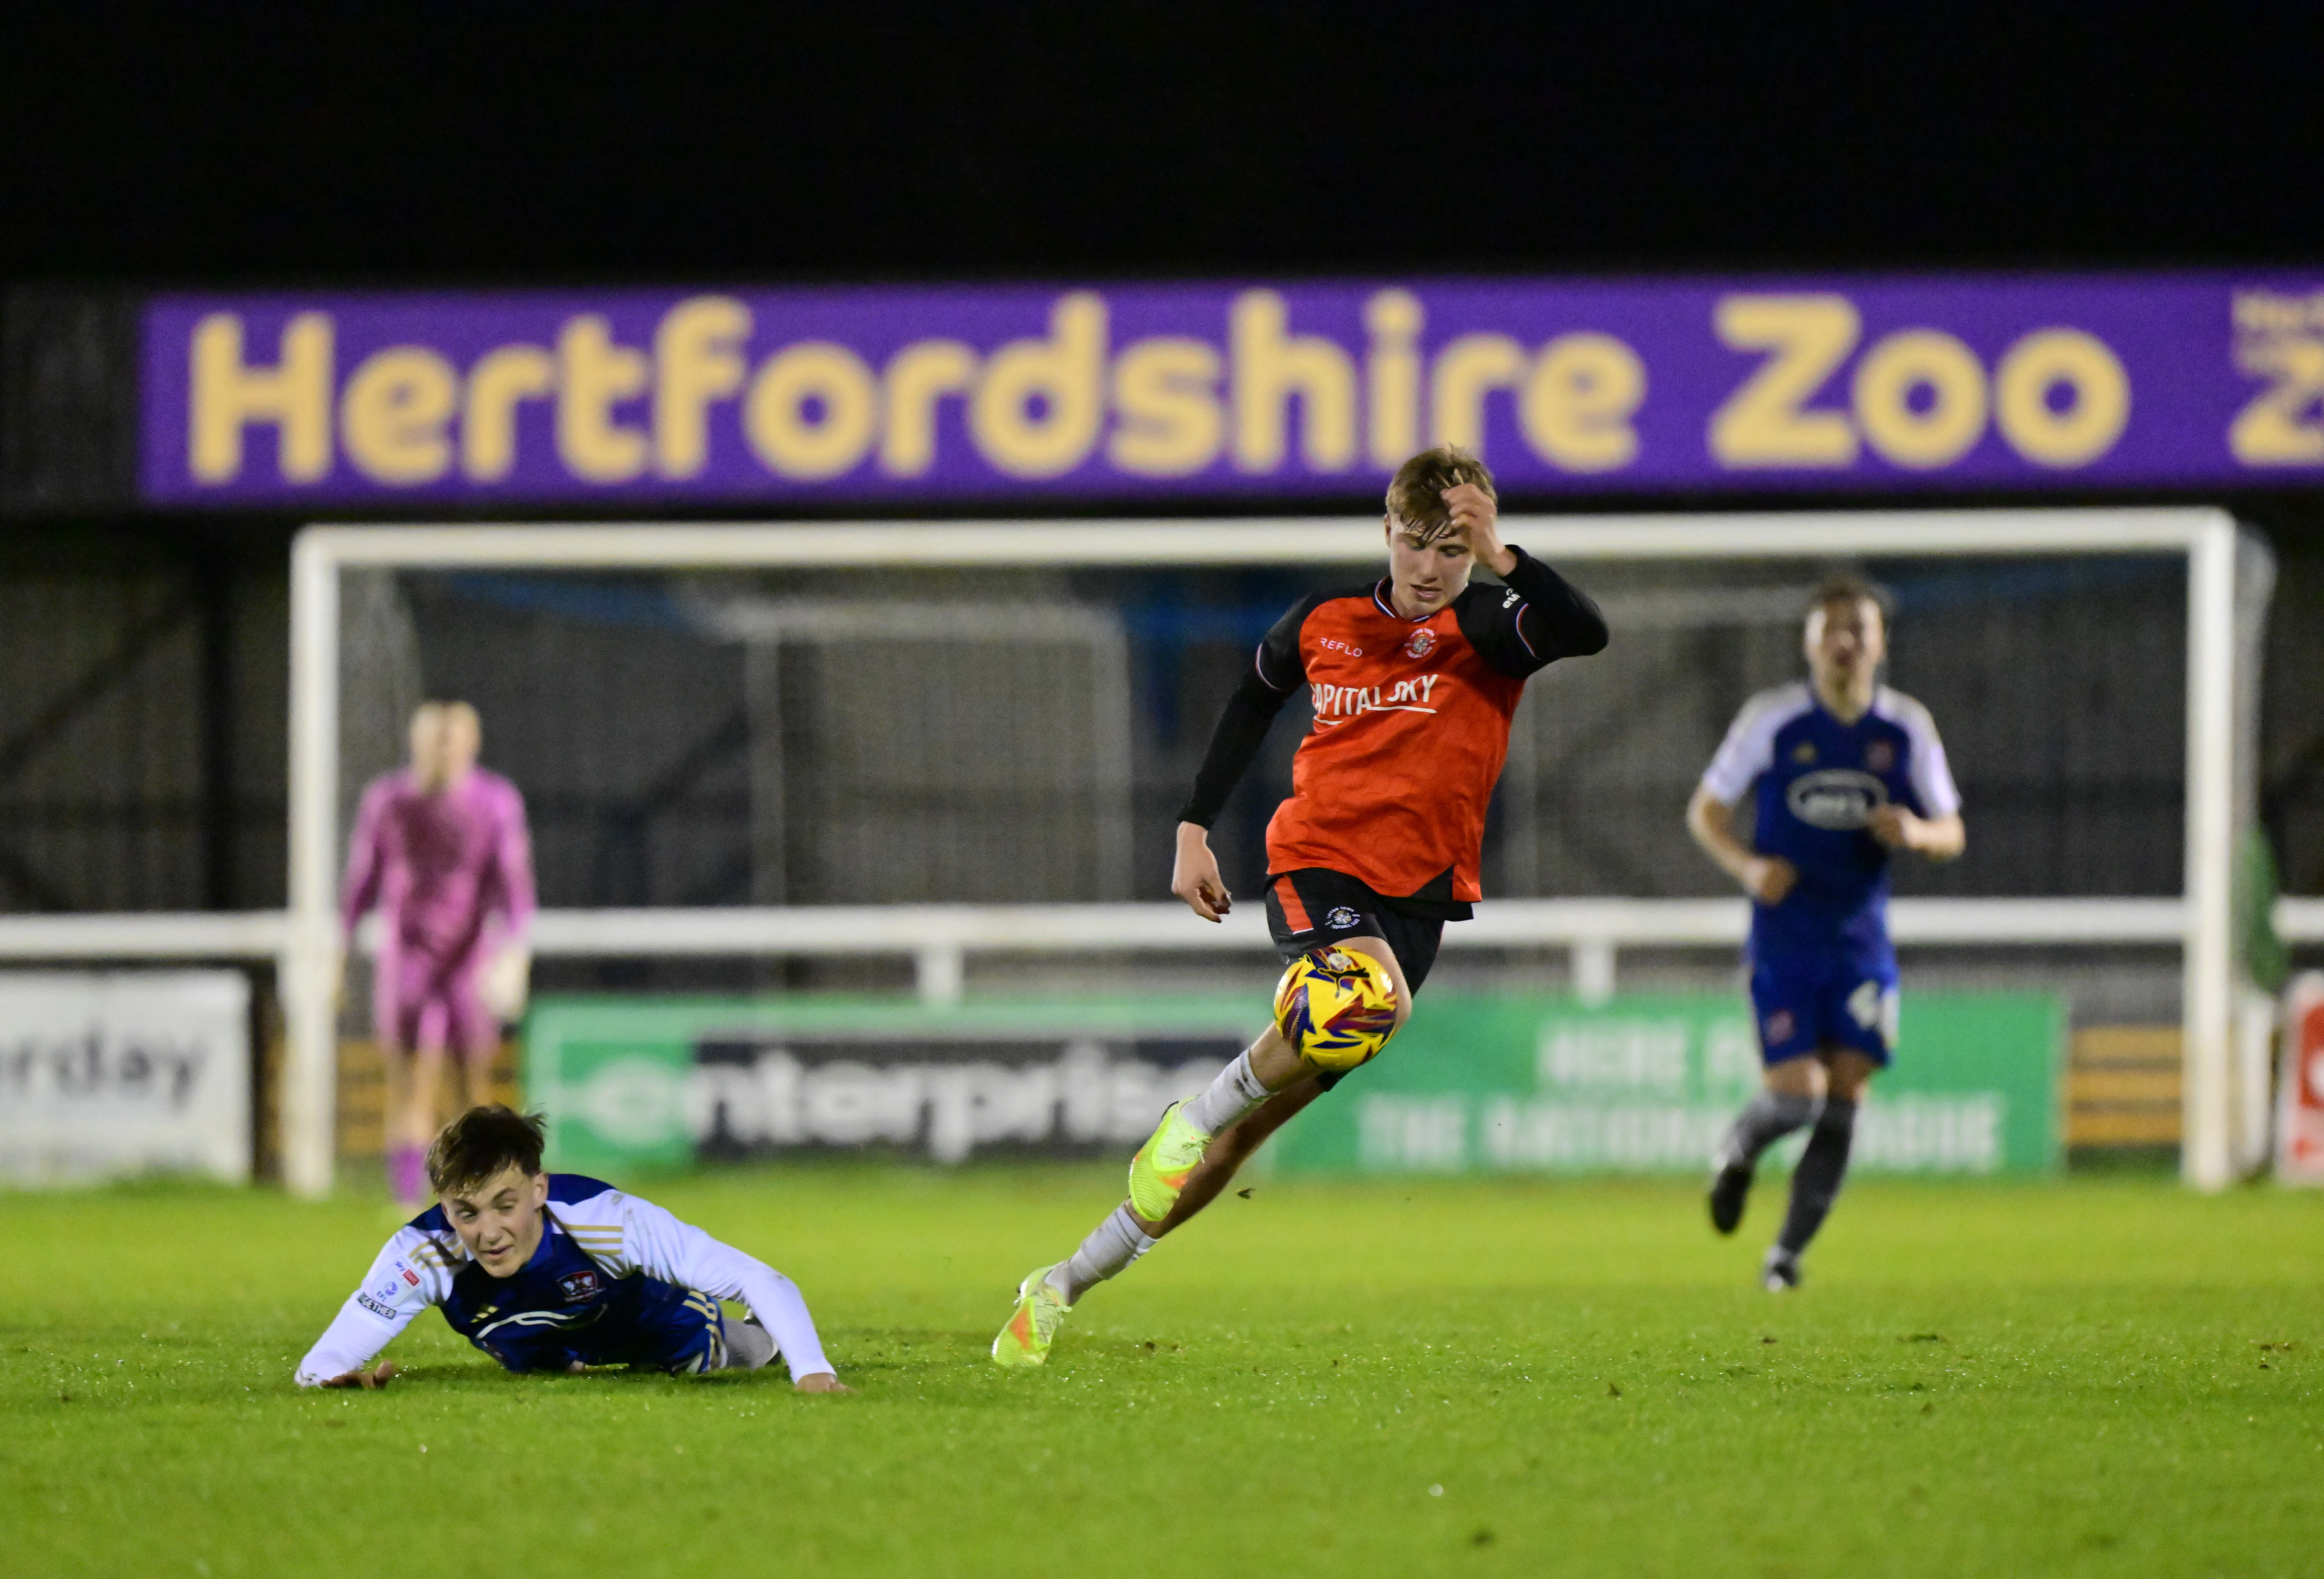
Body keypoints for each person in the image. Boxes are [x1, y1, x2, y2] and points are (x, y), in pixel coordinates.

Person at [992, 444, 1609, 1366]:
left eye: (1454, 550)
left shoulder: (1490, 625)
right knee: (1367, 1002)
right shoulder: (1323, 620)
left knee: (1249, 1136)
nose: (1431, 569)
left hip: (1420, 901)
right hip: (1319, 861)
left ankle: (1063, 1282)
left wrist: (1508, 555)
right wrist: (1194, 827)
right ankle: (1188, 1117)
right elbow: (1250, 701)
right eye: (1415, 545)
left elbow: (1586, 630)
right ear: (1386, 533)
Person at [1686, 575, 1965, 1291]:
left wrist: (1918, 832)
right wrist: (1748, 868)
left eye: (1859, 629)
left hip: (1861, 940)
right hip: (1785, 936)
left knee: (1844, 1095)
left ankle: (1784, 1257)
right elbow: (1707, 811)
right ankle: (1739, 1151)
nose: (1845, 641)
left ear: (1880, 643)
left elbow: (1953, 829)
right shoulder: (1774, 720)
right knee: (1796, 1096)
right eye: (1831, 629)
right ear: (1810, 644)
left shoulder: (1906, 727)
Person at [296, 1105, 846, 1392]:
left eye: (504, 1204)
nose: (487, 1232)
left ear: (539, 1189)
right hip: (538, 1352)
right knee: (532, 1355)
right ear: (444, 1207)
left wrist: (812, 1371)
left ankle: (763, 1338)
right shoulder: (423, 1252)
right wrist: (334, 1378)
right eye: (467, 1211)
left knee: (726, 1350)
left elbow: (762, 1278)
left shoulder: (608, 1221)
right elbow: (326, 1356)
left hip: (652, 1325)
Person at [340, 701, 535, 1207]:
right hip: (406, 956)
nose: (443, 746)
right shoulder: (389, 799)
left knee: (473, 1082)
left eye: (453, 736)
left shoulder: (495, 800)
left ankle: (477, 1189)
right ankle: (408, 1200)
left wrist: (516, 951)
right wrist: (337, 948)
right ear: (417, 740)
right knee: (410, 1080)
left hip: (469, 957)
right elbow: (362, 879)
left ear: (472, 741)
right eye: (435, 736)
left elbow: (513, 883)